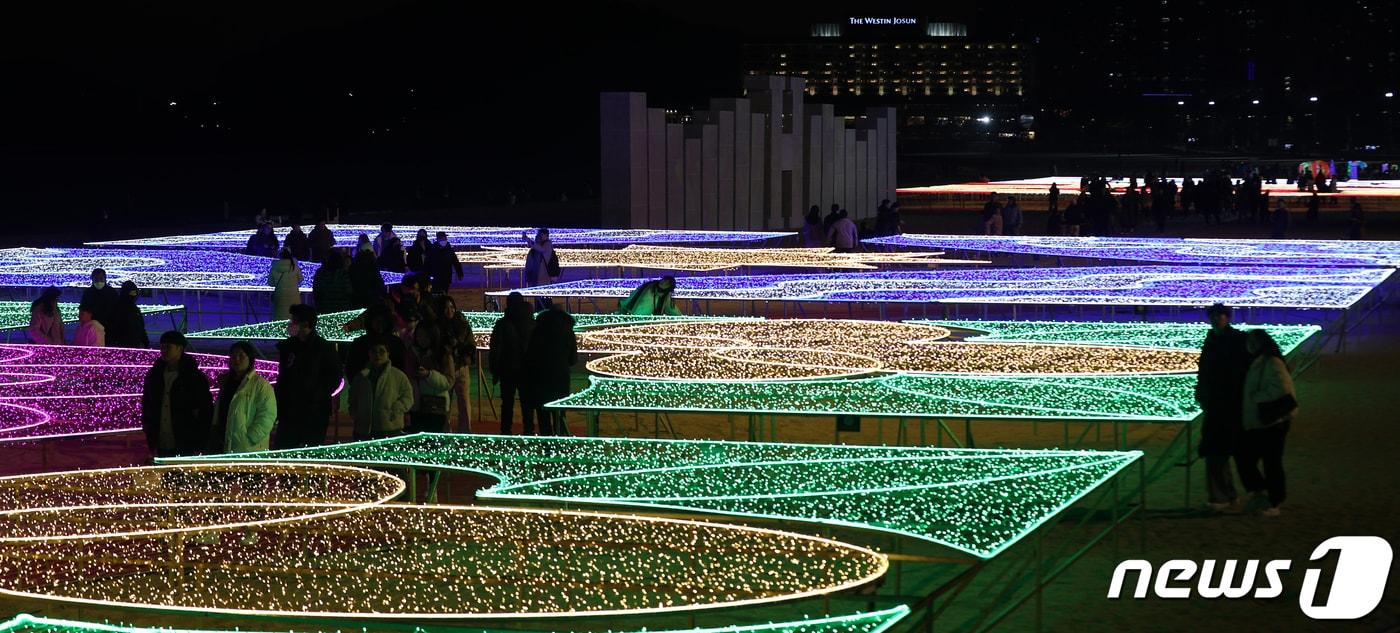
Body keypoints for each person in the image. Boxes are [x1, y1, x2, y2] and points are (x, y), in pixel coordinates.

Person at [1195, 303, 1251, 512]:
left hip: (1227, 402)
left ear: (1227, 317)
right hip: (1218, 402)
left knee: (1217, 448)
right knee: (1220, 449)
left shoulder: (1235, 339)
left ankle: (1221, 497)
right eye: (1214, 315)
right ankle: (1227, 494)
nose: (1217, 319)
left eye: (1221, 315)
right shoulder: (1213, 339)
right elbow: (1205, 369)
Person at [1236, 329, 1297, 517]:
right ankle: (1263, 494)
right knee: (1246, 458)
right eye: (1250, 342)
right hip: (1259, 420)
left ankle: (1274, 501)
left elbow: (1282, 389)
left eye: (1255, 342)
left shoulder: (1271, 362)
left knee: (1271, 462)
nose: (1251, 345)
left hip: (1273, 421)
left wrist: (1256, 397)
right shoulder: (1255, 361)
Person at [274, 304, 343, 449]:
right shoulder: (288, 347)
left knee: (309, 452)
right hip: (289, 411)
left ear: (305, 324)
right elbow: (283, 377)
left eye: (294, 321)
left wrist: (316, 395)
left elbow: (334, 377)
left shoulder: (323, 348)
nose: (290, 324)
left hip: (314, 412)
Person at [141, 331, 213, 458]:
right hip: (161, 439)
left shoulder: (194, 377)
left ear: (180, 348)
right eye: (162, 346)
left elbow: (204, 410)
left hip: (185, 440)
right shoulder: (154, 375)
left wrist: (199, 440)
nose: (163, 350)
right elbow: (147, 404)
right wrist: (149, 429)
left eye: (168, 347)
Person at [211, 341, 277, 454]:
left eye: (241, 356)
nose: (236, 359)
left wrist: (249, 439)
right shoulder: (226, 383)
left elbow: (268, 415)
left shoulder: (261, 385)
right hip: (223, 441)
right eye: (233, 356)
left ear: (250, 358)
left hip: (247, 447)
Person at [522, 306, 577, 435]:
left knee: (543, 413)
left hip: (541, 377)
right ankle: (560, 441)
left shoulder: (538, 330)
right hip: (560, 377)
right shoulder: (568, 331)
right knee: (559, 413)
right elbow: (573, 359)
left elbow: (530, 354)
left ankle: (547, 444)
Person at [488, 293, 534, 434]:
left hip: (507, 370)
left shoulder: (502, 324)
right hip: (527, 371)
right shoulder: (532, 323)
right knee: (527, 405)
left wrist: (494, 370)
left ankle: (506, 432)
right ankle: (528, 432)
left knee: (507, 404)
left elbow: (496, 348)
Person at [349, 343, 414, 440]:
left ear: (388, 353)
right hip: (363, 429)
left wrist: (396, 409)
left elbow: (408, 397)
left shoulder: (398, 376)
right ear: (369, 354)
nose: (377, 355)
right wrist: (355, 413)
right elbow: (352, 396)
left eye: (382, 351)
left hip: (390, 427)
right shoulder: (361, 376)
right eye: (374, 351)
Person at [406, 317, 454, 434]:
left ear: (433, 336)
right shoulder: (411, 353)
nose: (421, 339)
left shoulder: (443, 355)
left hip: (435, 406)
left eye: (425, 336)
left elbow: (449, 381)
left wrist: (429, 375)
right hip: (416, 406)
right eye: (419, 336)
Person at [438, 295, 477, 432]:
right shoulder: (438, 326)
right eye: (446, 308)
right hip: (445, 368)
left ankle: (465, 431)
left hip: (460, 365)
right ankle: (445, 430)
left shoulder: (462, 324)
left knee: (464, 401)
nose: (449, 310)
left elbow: (471, 344)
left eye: (451, 307)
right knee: (445, 401)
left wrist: (465, 355)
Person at [344, 303, 408, 379]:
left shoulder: (396, 343)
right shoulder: (359, 344)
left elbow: (404, 369)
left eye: (383, 322)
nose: (380, 326)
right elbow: (351, 370)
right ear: (370, 322)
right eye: (377, 321)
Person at [107, 280, 150, 348]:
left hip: (127, 345)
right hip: (125, 345)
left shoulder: (130, 308)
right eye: (133, 293)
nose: (135, 295)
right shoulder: (124, 308)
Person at [312, 249, 354, 315]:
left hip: (324, 307)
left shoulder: (320, 273)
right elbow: (348, 290)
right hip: (342, 307)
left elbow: (316, 290)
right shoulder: (343, 273)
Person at [617, 276, 681, 316]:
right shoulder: (647, 288)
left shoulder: (665, 297)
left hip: (645, 320)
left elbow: (672, 309)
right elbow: (633, 297)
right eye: (664, 280)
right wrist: (623, 304)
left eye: (667, 283)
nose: (663, 282)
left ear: (668, 287)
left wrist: (681, 318)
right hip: (633, 315)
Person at [267, 248, 303, 320]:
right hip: (294, 297)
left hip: (280, 297)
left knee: (280, 318)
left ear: (280, 255)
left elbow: (270, 283)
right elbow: (301, 279)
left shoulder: (275, 267)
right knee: (294, 318)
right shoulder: (295, 267)